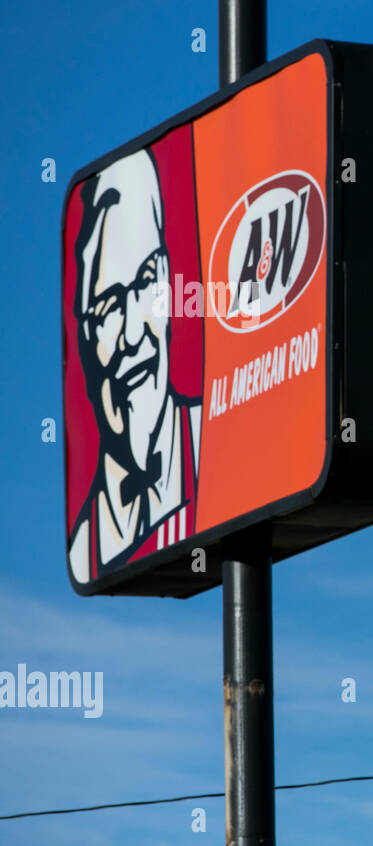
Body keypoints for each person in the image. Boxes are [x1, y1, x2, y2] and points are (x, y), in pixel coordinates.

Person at [68, 147, 200, 583]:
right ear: (85, 337)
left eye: (145, 282)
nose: (131, 334)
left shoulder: (220, 443)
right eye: (107, 307)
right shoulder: (83, 553)